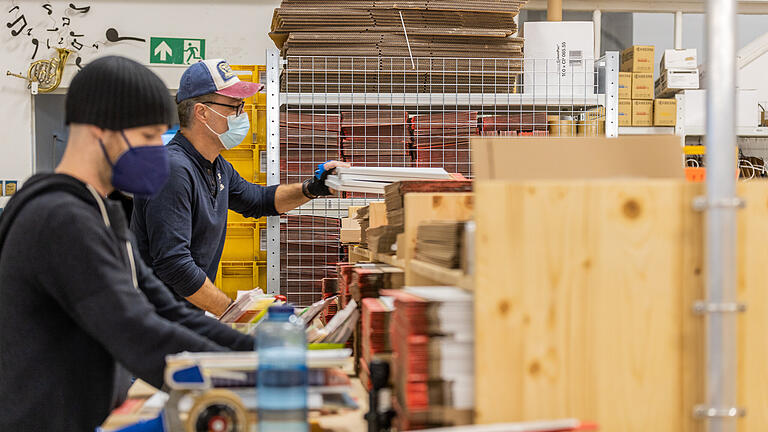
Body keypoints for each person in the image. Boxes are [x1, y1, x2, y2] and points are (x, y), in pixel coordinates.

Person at [0, 56, 256, 431]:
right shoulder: (58, 218)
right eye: (149, 136)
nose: (160, 150)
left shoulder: (99, 212)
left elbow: (165, 308)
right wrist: (247, 377)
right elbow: (137, 332)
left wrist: (257, 353)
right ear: (100, 131)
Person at [130, 59, 348, 316]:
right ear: (202, 112)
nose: (241, 115)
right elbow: (174, 264)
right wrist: (234, 314)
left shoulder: (217, 166)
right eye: (234, 107)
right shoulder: (171, 170)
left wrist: (312, 188)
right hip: (156, 321)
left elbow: (259, 200)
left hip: (183, 316)